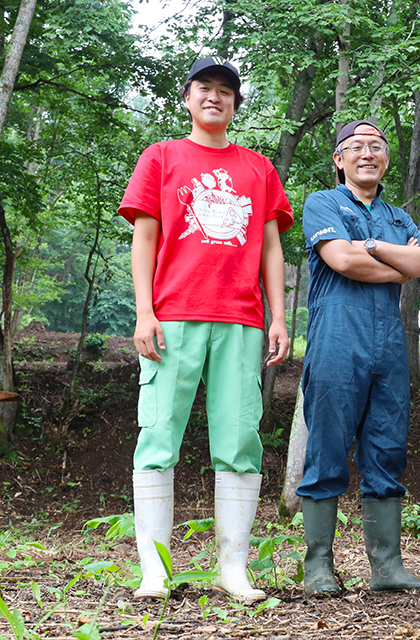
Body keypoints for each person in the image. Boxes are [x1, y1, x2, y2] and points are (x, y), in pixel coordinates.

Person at [119, 56, 293, 603]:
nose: (214, 96)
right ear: (189, 99)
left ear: (236, 104)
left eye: (225, 90)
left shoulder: (258, 168)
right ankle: (155, 571)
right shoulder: (161, 157)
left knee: (240, 440)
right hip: (171, 315)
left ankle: (232, 569)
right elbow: (144, 238)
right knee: (158, 437)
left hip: (241, 319)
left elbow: (270, 247)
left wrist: (279, 316)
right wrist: (144, 312)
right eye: (204, 88)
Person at [297, 120, 420, 596]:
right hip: (337, 339)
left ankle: (388, 568)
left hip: (389, 348)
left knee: (387, 448)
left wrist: (374, 247)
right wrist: (395, 263)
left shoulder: (398, 215)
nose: (367, 153)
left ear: (385, 158)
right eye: (356, 147)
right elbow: (340, 260)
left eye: (376, 147)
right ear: (339, 159)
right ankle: (318, 566)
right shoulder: (322, 202)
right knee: (328, 448)